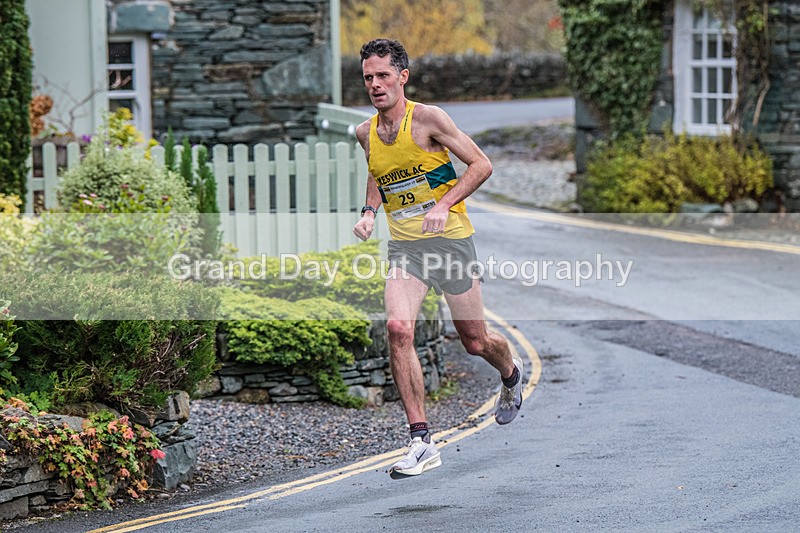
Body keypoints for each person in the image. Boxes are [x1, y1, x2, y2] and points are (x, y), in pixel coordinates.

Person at [352, 38, 524, 478]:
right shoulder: (365, 133)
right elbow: (378, 173)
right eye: (369, 77)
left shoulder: (427, 119)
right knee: (397, 328)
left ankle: (509, 373)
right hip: (406, 248)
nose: (375, 84)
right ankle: (421, 440)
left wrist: (443, 205)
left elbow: (481, 165)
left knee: (475, 341)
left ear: (402, 77)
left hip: (450, 242)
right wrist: (370, 213)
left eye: (383, 76)